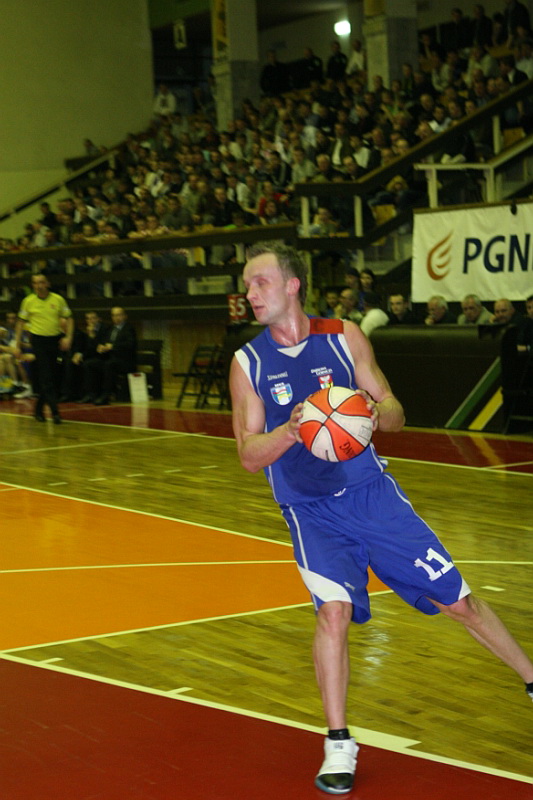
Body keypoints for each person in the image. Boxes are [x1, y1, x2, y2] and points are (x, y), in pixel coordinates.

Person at [229, 243, 533, 795]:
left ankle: (532, 680)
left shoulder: (343, 336)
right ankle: (338, 743)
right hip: (310, 510)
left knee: (459, 602)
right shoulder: (248, 363)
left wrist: (373, 411)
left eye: (260, 282)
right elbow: (249, 456)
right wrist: (291, 430)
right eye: (247, 285)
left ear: (293, 285)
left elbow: (394, 409)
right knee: (333, 613)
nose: (249, 293)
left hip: (371, 495)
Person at [14, 274, 73, 423]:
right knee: (46, 377)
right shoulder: (28, 301)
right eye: (35, 283)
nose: (39, 286)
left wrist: (68, 337)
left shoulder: (58, 299)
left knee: (55, 375)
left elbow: (69, 318)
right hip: (38, 341)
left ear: (47, 284)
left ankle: (38, 409)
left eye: (41, 282)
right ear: (33, 285)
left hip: (54, 340)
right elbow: (20, 323)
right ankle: (55, 412)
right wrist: (17, 344)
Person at [79, 307, 136, 405]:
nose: (116, 318)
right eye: (114, 315)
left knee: (109, 365)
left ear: (124, 316)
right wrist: (101, 346)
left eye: (118, 315)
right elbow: (104, 342)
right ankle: (91, 394)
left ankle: (106, 394)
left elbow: (130, 344)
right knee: (89, 364)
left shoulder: (129, 329)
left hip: (124, 360)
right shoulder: (111, 329)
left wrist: (113, 346)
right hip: (110, 358)